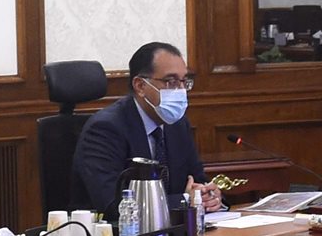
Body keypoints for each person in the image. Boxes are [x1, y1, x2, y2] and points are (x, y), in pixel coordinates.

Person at [71, 42, 224, 217]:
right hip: (111, 231)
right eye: (171, 82)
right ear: (140, 86)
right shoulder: (105, 129)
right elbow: (112, 204)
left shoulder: (177, 124)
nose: (181, 90)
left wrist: (208, 196)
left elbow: (197, 180)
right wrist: (184, 200)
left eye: (184, 81)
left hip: (172, 229)